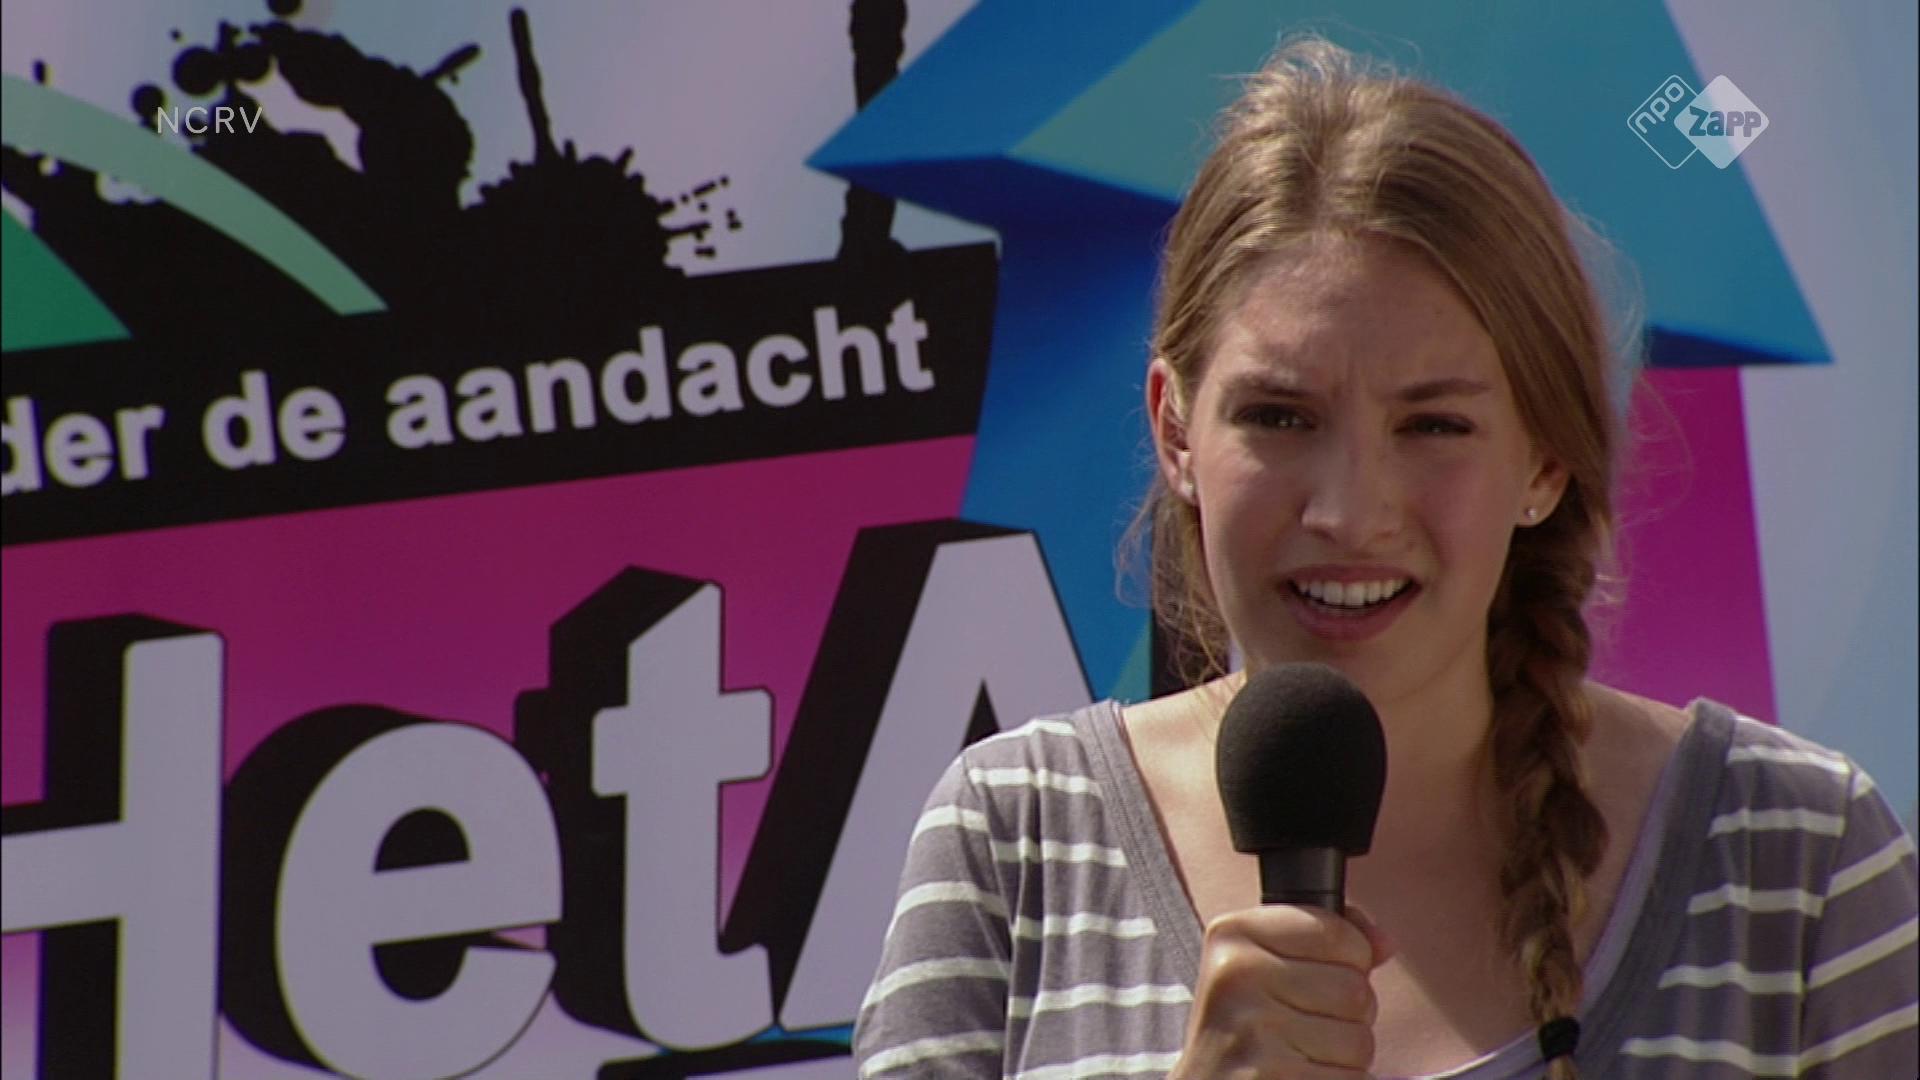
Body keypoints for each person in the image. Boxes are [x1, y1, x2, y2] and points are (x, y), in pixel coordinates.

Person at [852, 37, 1919, 1079]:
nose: (1349, 512)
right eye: (1279, 416)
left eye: (1434, 426)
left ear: (1545, 460)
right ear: (1175, 430)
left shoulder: (1799, 855)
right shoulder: (1014, 838)